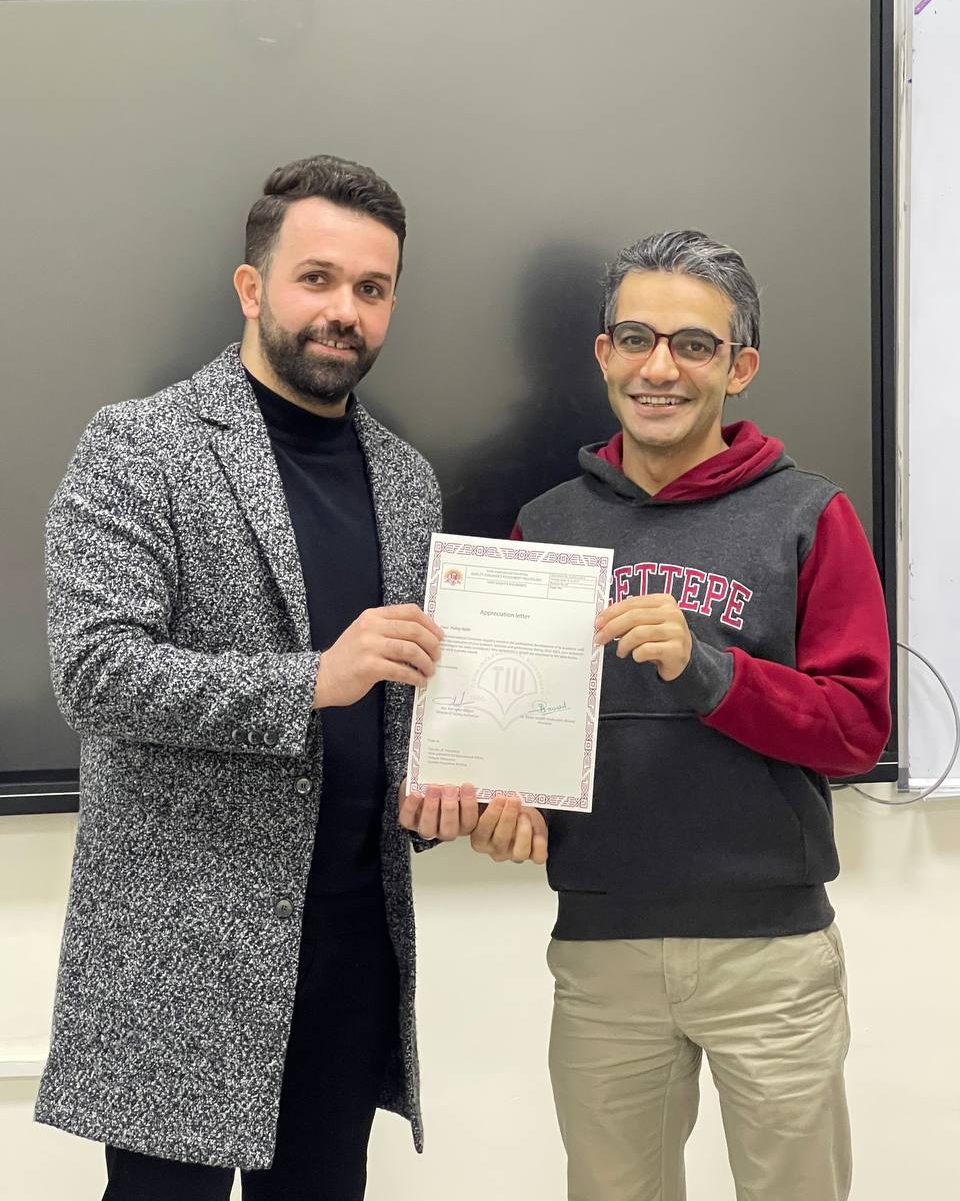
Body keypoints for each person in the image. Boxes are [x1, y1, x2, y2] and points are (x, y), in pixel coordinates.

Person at [34, 153, 537, 1201]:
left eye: (372, 287)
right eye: (317, 278)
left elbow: (400, 709)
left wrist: (437, 799)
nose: (344, 309)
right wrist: (312, 678)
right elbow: (95, 670)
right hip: (181, 949)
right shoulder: (139, 446)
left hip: (350, 945)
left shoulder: (406, 479)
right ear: (252, 286)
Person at [503, 230, 891, 1201]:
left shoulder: (812, 515)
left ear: (739, 366)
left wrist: (710, 670)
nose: (660, 368)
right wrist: (501, 804)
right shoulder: (545, 527)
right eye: (636, 339)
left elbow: (857, 732)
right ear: (604, 355)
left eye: (694, 345)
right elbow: (519, 729)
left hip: (772, 957)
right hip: (603, 953)